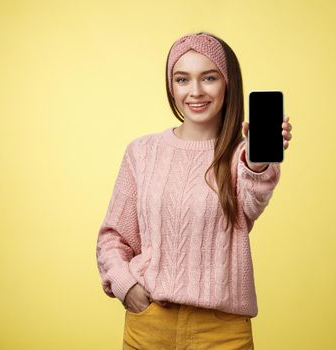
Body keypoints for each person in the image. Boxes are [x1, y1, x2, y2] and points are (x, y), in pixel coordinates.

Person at [96, 31, 293, 349]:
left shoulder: (240, 157)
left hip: (222, 332)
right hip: (149, 324)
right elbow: (112, 238)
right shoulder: (142, 152)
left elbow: (251, 205)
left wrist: (257, 163)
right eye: (182, 79)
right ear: (170, 86)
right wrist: (126, 286)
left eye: (209, 78)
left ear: (228, 84)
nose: (196, 91)